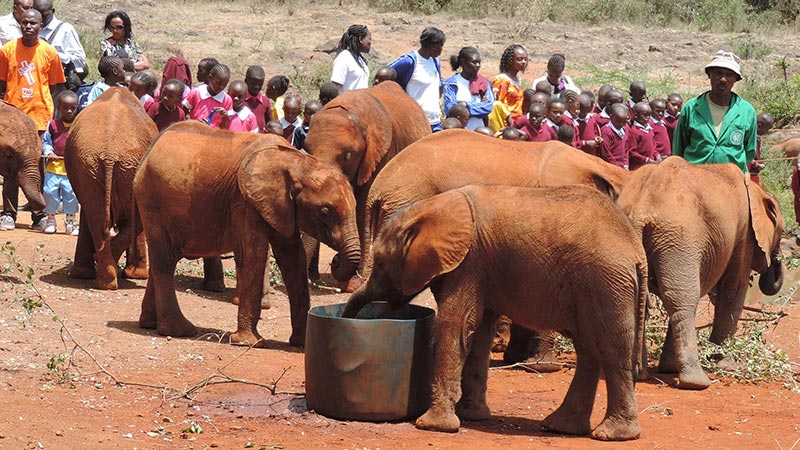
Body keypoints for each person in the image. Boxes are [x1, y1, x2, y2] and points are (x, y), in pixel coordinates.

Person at [673, 51, 757, 173]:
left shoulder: (747, 111)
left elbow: (749, 151)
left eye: (729, 75)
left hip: (731, 181)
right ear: (709, 75)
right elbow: (678, 148)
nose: (723, 79)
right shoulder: (692, 108)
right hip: (694, 179)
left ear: (735, 79)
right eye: (718, 73)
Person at [0, 8, 64, 133]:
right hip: (13, 114)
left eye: (33, 23)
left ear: (41, 26)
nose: (28, 26)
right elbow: (2, 83)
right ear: (20, 24)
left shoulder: (50, 52)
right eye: (24, 23)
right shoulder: (6, 51)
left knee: (37, 150)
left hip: (39, 114)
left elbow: (52, 87)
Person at [389, 26, 446, 131]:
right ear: (433, 46)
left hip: (435, 121)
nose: (442, 50)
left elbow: (439, 85)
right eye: (441, 46)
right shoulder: (410, 61)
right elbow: (385, 73)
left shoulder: (435, 61)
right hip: (415, 123)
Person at [41, 89, 78, 235]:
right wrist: (49, 152)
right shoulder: (53, 125)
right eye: (65, 108)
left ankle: (70, 222)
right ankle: (50, 219)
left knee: (71, 195)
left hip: (71, 169)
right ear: (59, 108)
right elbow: (46, 142)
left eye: (72, 108)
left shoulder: (78, 125)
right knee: (50, 193)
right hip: (53, 168)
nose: (69, 111)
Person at [33, 0, 86, 83]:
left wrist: (51, 53)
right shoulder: (28, 27)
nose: (41, 19)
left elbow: (80, 60)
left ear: (52, 11)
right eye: (37, 14)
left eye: (44, 15)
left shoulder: (65, 30)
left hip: (56, 82)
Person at [443, 46, 493, 131]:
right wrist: (478, 106)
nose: (477, 65)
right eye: (474, 62)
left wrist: (465, 105)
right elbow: (450, 109)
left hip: (479, 130)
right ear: (463, 62)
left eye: (479, 62)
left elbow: (488, 106)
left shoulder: (483, 82)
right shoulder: (451, 83)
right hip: (458, 131)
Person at [488, 44, 527, 133]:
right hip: (506, 124)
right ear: (510, 61)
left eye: (525, 59)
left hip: (517, 122)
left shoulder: (517, 79)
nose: (524, 62)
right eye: (519, 59)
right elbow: (498, 106)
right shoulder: (502, 80)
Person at [183, 63, 232, 129]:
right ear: (210, 77)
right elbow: (183, 112)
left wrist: (225, 116)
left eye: (225, 84)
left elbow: (226, 126)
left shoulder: (226, 100)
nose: (221, 87)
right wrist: (194, 123)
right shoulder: (197, 92)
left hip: (214, 137)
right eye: (218, 83)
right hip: (194, 133)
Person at [330, 24, 371, 92]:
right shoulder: (344, 58)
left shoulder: (360, 60)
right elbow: (336, 87)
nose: (370, 43)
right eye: (369, 39)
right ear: (360, 39)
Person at [627, 101, 660, 170]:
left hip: (650, 165)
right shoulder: (634, 131)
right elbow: (632, 152)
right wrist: (646, 160)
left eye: (649, 115)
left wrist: (657, 155)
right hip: (638, 167)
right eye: (644, 115)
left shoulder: (649, 129)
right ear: (636, 115)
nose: (647, 117)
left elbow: (653, 147)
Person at [599, 103, 630, 169]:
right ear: (611, 117)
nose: (621, 124)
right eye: (618, 121)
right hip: (610, 166)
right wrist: (616, 166)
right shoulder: (607, 131)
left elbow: (626, 149)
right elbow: (605, 153)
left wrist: (626, 165)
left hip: (622, 166)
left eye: (624, 122)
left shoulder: (625, 128)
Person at [244, 65, 270, 133]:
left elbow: (269, 123)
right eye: (254, 83)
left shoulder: (265, 102)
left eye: (260, 84)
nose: (257, 86)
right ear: (246, 81)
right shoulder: (240, 100)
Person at [750, 112, 774, 185]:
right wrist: (755, 164)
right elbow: (743, 154)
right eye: (766, 129)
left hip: (753, 173)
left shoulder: (757, 137)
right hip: (748, 174)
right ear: (759, 126)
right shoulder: (749, 136)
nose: (767, 132)